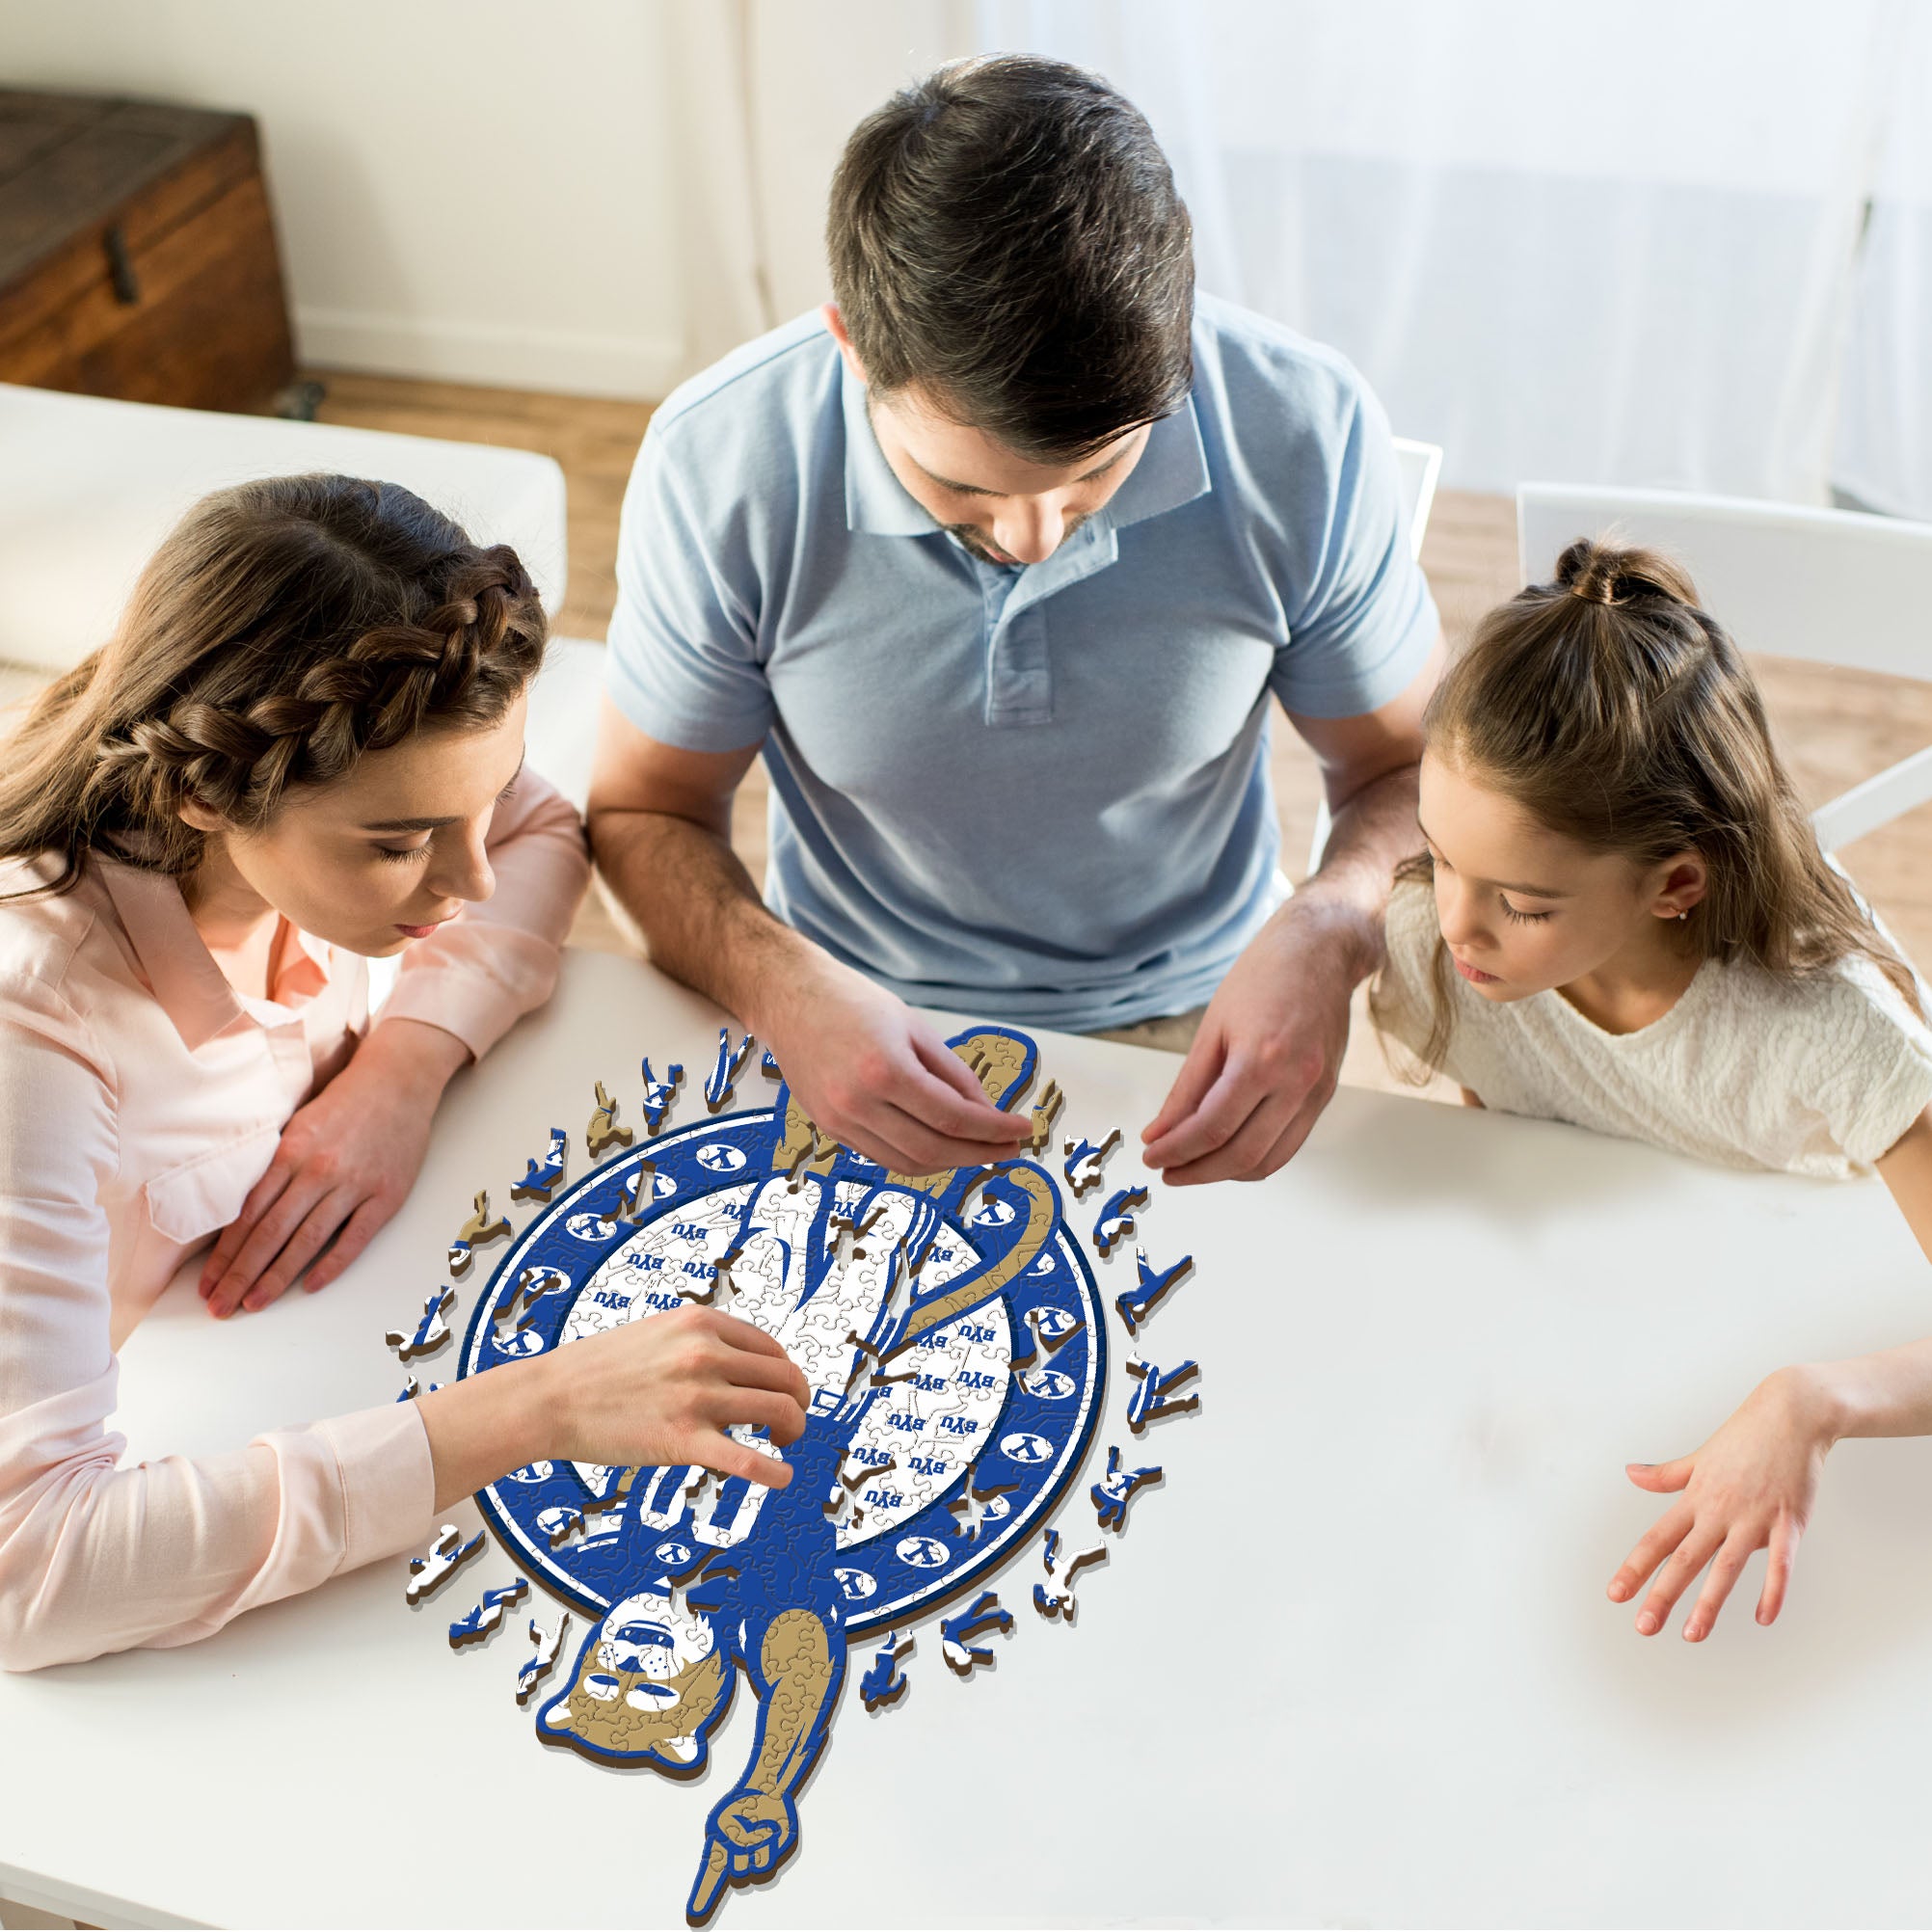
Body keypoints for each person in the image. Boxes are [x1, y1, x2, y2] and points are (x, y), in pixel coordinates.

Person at [587, 55, 1443, 1188]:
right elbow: (647, 810)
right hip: (841, 1009)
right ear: (853, 348)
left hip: (1204, 1009)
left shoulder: (1302, 429)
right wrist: (781, 987)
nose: (1036, 536)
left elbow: (1411, 771)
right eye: (966, 491)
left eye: (1095, 478)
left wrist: (1333, 929)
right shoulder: (721, 464)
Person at [0, 475, 808, 1672]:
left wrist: (403, 1065)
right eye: (398, 845)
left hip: (277, 1344)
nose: (469, 883)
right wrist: (539, 1410)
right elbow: (34, 1573)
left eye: (475, 802)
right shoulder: (37, 1040)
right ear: (201, 793)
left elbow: (539, 832)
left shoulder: (337, 791)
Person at [1370, 537, 1932, 1644]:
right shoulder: (1443, 952)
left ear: (1676, 884)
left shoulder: (1832, 1032)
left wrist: (1812, 1401)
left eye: (1521, 904)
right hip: (1623, 1318)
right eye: (1440, 858)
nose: (1454, 927)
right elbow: (1521, 1129)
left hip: (1845, 1335)